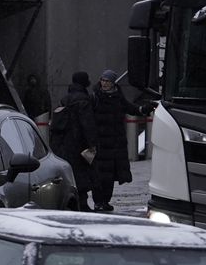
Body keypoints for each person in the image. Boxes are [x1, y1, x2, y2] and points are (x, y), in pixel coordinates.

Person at [89, 68, 144, 212]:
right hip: (100, 144)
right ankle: (98, 202)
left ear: (113, 83)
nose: (104, 83)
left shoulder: (118, 96)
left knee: (110, 175)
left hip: (115, 143)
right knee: (99, 175)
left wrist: (142, 110)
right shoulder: (95, 97)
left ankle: (105, 201)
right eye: (103, 80)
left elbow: (129, 107)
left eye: (107, 81)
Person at [54, 71, 98, 211]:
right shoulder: (83, 100)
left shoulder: (65, 99)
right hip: (79, 143)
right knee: (82, 174)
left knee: (72, 173)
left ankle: (73, 200)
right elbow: (87, 124)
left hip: (65, 142)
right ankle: (83, 203)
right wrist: (92, 143)